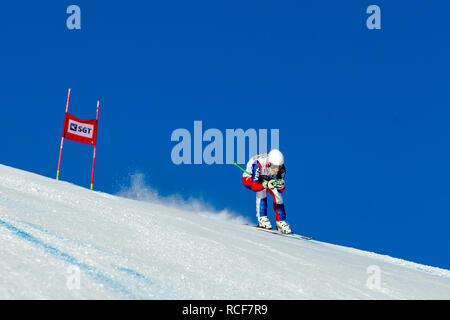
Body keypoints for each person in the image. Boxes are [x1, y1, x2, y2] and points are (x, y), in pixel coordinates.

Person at [242, 149, 292, 234]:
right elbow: (254, 186)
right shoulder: (258, 164)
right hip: (249, 178)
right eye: (274, 167)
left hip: (266, 179)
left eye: (278, 167)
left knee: (277, 193)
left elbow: (281, 189)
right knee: (262, 190)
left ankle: (280, 222)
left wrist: (281, 185)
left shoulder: (282, 169)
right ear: (268, 163)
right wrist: (265, 185)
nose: (276, 170)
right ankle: (262, 218)